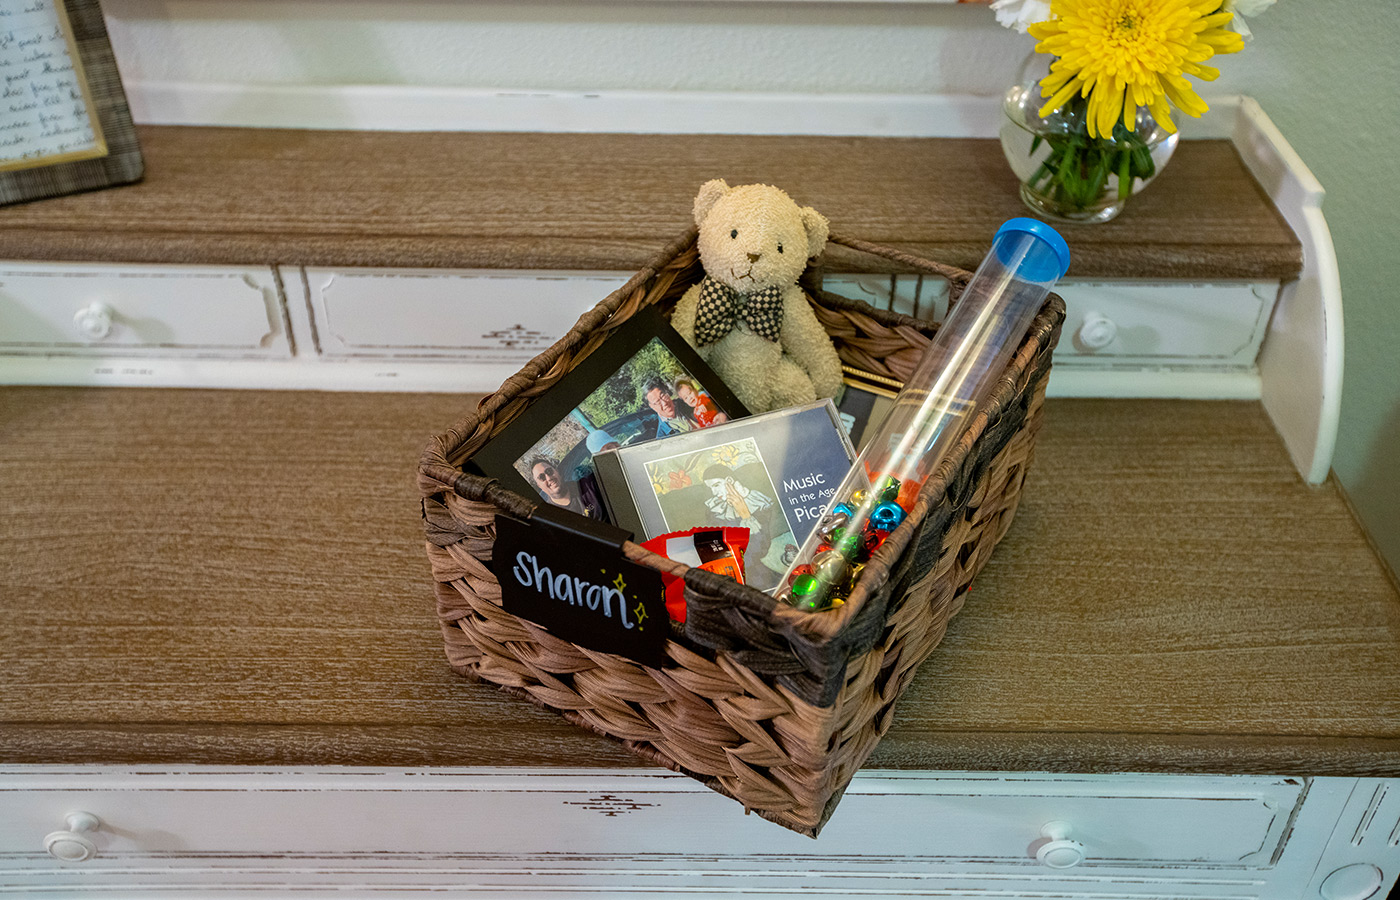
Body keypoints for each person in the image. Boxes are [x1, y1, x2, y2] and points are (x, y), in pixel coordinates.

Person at [528, 456, 604, 519]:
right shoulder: (551, 517)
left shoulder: (587, 485)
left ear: (556, 471)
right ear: (539, 486)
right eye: (541, 477)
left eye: (549, 471)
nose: (548, 478)